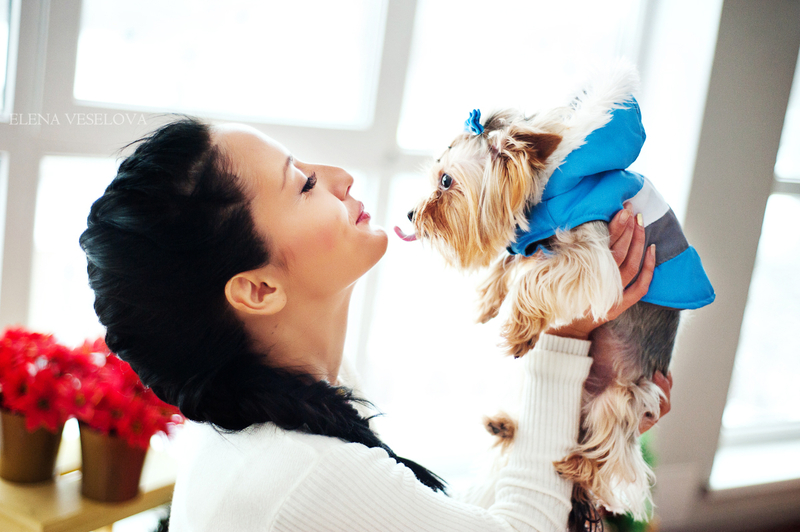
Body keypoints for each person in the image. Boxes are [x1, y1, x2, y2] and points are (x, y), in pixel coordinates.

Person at [80, 117, 671, 532]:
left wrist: (584, 413)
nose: (340, 177)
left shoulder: (283, 408)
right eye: (304, 183)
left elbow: (448, 521)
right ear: (258, 289)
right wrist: (562, 340)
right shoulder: (300, 472)